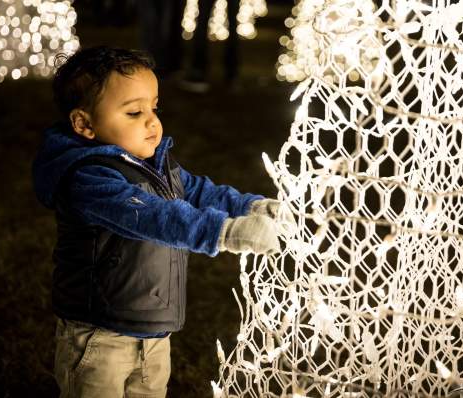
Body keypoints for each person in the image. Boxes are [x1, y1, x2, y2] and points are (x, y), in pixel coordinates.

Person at [32, 46, 293, 397]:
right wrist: (223, 232)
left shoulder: (152, 163)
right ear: (84, 124)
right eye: (134, 112)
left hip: (153, 330)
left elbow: (199, 192)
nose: (152, 122)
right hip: (99, 335)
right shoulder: (89, 179)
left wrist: (252, 207)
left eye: (154, 107)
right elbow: (153, 216)